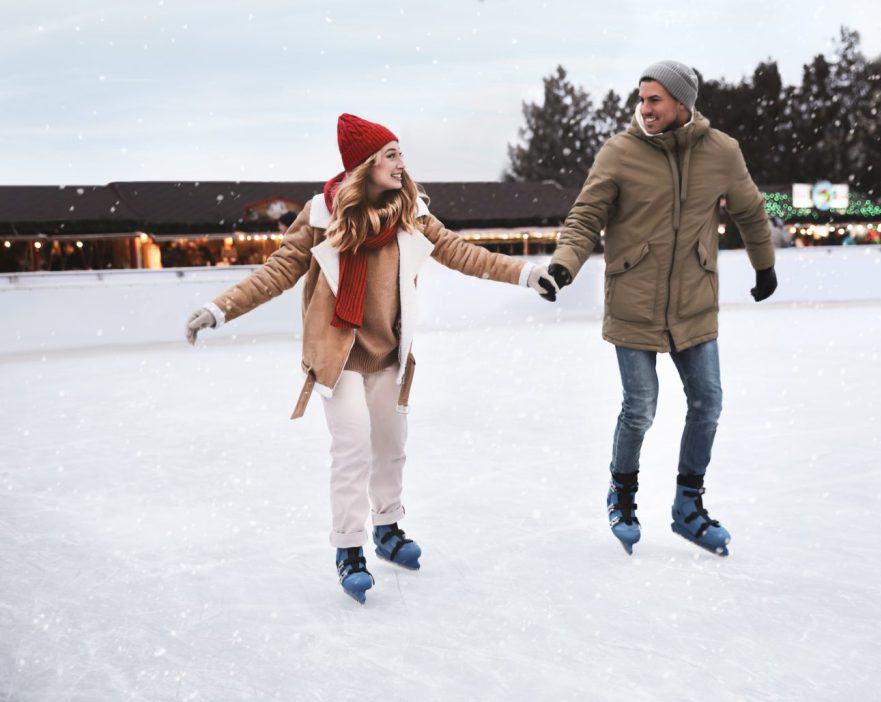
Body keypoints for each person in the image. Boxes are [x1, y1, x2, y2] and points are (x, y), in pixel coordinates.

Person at [185, 114, 557, 603]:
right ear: (366, 165)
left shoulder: (413, 215)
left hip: (387, 354)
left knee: (390, 445)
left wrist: (527, 275)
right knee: (353, 448)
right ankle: (349, 549)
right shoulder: (321, 218)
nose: (402, 164)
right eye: (391, 155)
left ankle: (388, 528)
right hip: (337, 356)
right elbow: (277, 271)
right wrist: (218, 309)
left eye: (401, 153)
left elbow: (463, 252)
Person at [546, 60, 777, 557]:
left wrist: (764, 266)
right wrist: (565, 264)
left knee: (708, 402)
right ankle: (623, 496)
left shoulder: (722, 152)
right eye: (642, 98)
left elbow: (751, 211)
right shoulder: (620, 153)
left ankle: (687, 509)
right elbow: (586, 215)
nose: (644, 108)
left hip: (694, 302)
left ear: (682, 103)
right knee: (640, 408)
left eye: (655, 99)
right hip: (634, 301)